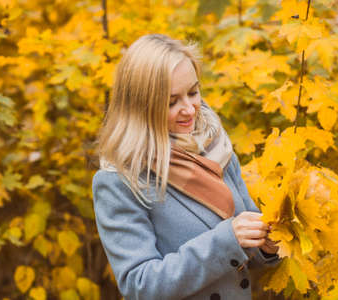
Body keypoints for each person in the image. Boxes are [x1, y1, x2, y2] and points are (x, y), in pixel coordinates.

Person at [92, 34, 280, 300]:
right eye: (171, 102)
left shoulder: (216, 148)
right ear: (141, 106)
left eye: (193, 92)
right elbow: (139, 285)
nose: (190, 110)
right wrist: (226, 242)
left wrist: (267, 248)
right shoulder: (119, 181)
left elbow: (246, 236)